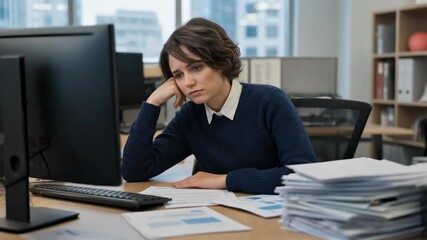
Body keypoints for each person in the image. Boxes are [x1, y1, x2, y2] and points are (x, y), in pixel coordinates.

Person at [122, 18, 316, 194]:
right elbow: (135, 171)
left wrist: (226, 180)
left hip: (274, 218)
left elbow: (303, 175)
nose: (188, 82)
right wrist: (152, 102)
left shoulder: (270, 101)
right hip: (220, 214)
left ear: (221, 62)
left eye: (196, 68)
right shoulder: (190, 116)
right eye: (179, 75)